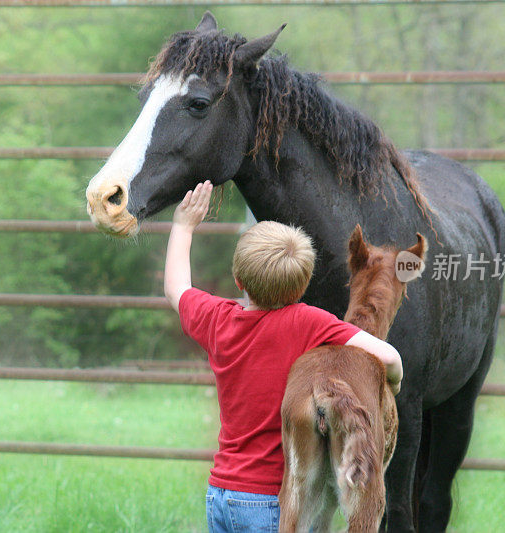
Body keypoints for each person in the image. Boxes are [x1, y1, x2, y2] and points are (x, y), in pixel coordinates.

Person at [164, 181, 403, 532]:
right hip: (269, 500)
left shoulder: (217, 319)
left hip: (220, 492)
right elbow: (391, 358)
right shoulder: (308, 321)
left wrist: (183, 226)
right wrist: (391, 387)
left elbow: (176, 288)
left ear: (238, 279)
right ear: (303, 284)